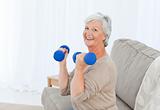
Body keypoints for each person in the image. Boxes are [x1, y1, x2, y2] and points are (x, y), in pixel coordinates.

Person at [58, 12, 118, 110]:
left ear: (104, 36)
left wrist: (79, 68)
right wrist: (62, 62)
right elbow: (64, 90)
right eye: (86, 28)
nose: (88, 33)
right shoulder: (87, 59)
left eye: (95, 30)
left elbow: (77, 97)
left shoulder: (105, 66)